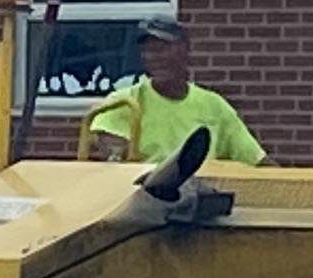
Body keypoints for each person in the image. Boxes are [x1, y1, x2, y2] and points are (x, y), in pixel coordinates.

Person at [79, 14, 266, 168]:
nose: (153, 58)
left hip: (200, 194)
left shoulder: (214, 106)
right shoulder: (124, 103)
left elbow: (256, 159)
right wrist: (114, 152)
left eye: (161, 49)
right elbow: (113, 163)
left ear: (185, 51)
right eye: (147, 51)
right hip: (145, 198)